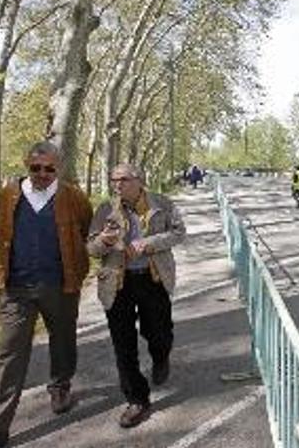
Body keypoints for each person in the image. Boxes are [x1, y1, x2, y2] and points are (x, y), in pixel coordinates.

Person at [0, 142, 92, 448]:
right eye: (36, 168)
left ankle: (60, 384)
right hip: (16, 288)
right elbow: (2, 235)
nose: (43, 174)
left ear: (58, 168)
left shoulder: (73, 197)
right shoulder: (8, 195)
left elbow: (85, 231)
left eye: (50, 168)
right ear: (26, 165)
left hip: (61, 286)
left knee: (63, 339)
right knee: (9, 354)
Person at [87, 163, 186, 428]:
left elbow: (179, 233)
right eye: (113, 180)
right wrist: (104, 241)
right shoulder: (105, 209)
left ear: (140, 180)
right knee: (123, 343)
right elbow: (92, 248)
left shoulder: (162, 203)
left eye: (124, 179)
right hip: (117, 284)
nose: (117, 184)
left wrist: (148, 243)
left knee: (159, 333)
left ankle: (160, 357)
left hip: (153, 280)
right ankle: (137, 399)